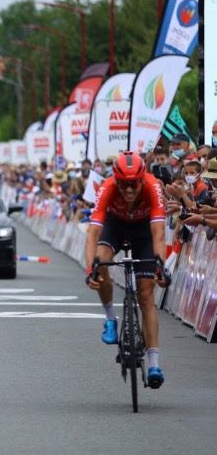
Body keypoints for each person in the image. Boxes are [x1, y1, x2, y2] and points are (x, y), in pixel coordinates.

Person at [84, 152, 169, 388]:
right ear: (116, 181)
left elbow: (159, 234)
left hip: (144, 232)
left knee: (146, 295)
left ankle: (154, 363)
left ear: (142, 180)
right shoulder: (108, 187)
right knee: (101, 263)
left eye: (133, 184)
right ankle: (110, 319)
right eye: (124, 185)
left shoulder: (153, 188)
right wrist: (91, 268)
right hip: (116, 226)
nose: (129, 190)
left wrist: (160, 266)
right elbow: (92, 234)